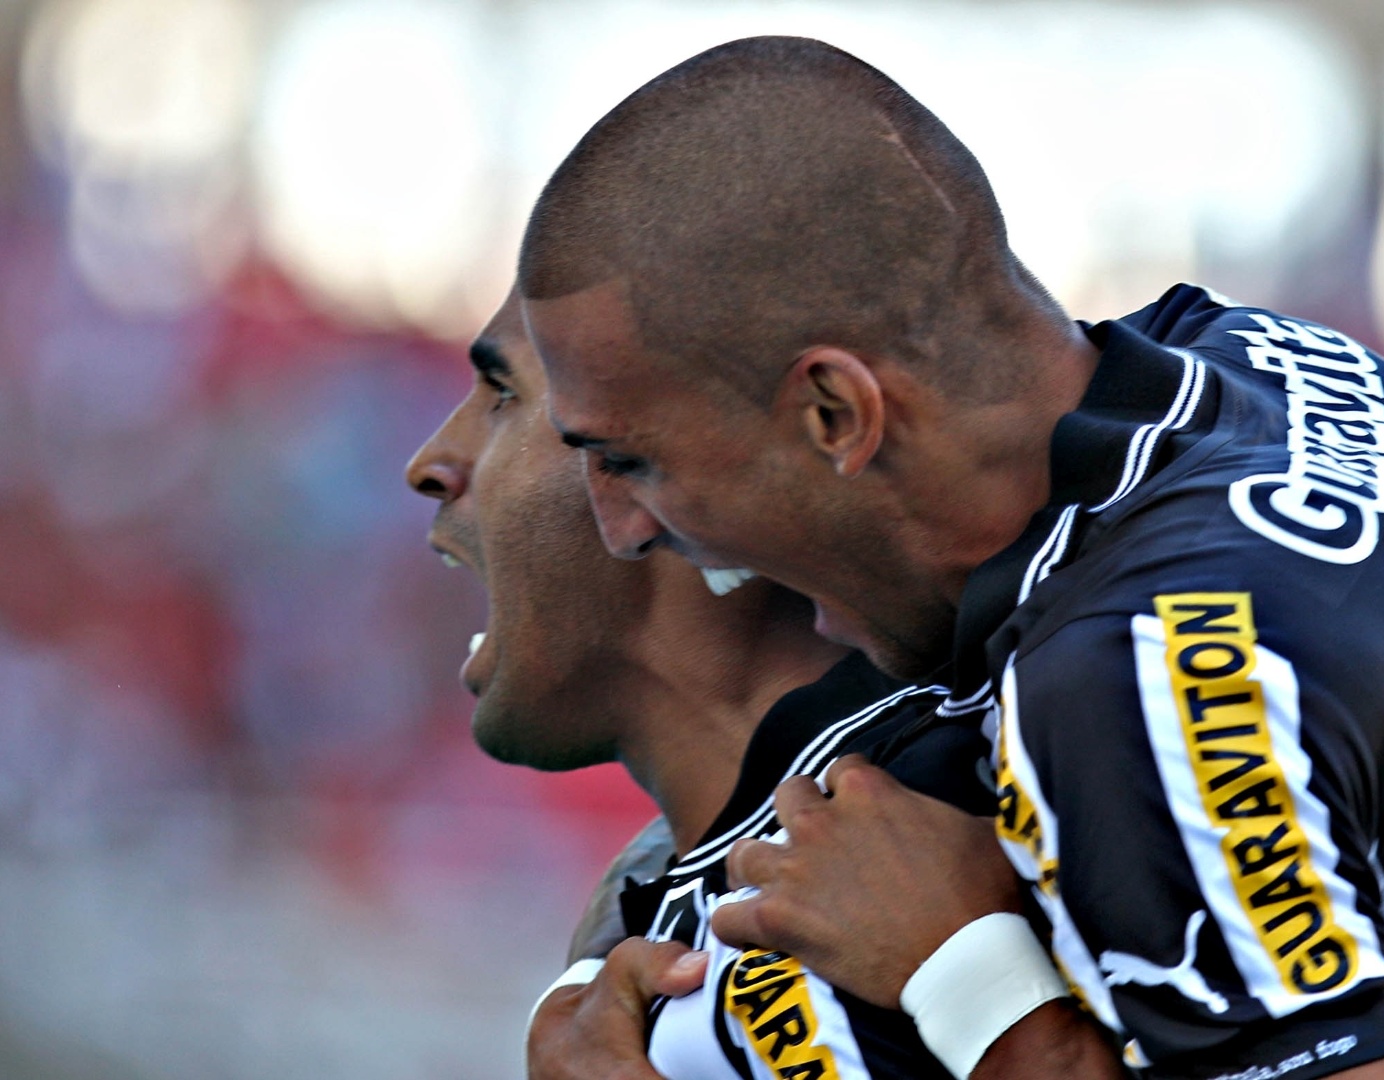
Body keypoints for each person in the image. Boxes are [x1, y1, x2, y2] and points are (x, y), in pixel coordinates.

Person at [516, 35, 1384, 1080]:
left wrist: (972, 984)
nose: (622, 527)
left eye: (633, 462)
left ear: (837, 414)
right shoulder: (1275, 361)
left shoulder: (1143, 674)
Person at [404, 289, 995, 1079]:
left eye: (504, 393)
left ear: (660, 471)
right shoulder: (712, 876)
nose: (431, 463)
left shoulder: (961, 825)